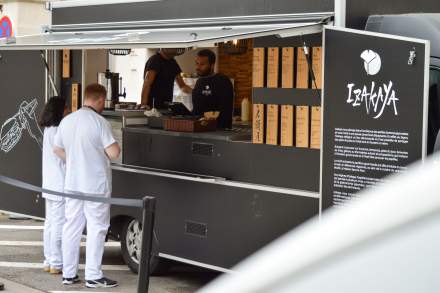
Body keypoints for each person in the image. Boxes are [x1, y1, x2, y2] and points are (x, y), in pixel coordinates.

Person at [54, 84, 120, 288]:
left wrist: (75, 160)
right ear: (101, 99)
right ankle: (93, 275)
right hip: (95, 185)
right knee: (97, 228)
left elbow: (57, 149)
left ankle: (69, 273)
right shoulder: (100, 122)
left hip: (72, 183)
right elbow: (114, 153)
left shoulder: (67, 120)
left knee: (71, 227)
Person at [38, 96, 69, 275]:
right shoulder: (59, 130)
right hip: (59, 183)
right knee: (58, 223)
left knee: (50, 223)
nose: (68, 111)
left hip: (49, 182)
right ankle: (56, 262)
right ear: (60, 110)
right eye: (66, 108)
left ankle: (49, 260)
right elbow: (64, 155)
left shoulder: (48, 129)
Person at [192, 49, 234, 129]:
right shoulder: (199, 82)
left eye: (202, 64)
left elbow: (225, 111)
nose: (198, 67)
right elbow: (197, 109)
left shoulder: (223, 81)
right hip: (200, 129)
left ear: (212, 65)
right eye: (197, 63)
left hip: (218, 131)